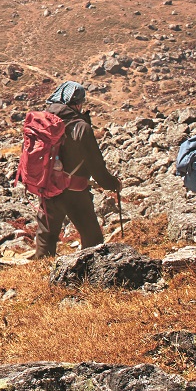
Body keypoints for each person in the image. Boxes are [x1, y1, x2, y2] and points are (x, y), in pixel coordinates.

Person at [31, 81, 121, 258]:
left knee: (46, 237)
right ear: (78, 103)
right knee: (92, 238)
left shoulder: (43, 123)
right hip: (75, 191)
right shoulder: (81, 127)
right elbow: (96, 165)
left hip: (48, 188)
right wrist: (112, 184)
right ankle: (87, 273)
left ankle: (40, 276)